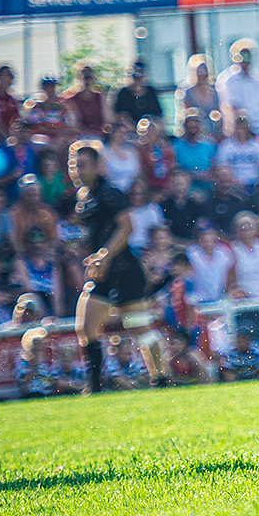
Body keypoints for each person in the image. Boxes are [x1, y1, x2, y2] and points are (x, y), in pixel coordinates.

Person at [66, 140, 168, 393]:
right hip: (103, 272)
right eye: (74, 165)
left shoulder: (110, 193)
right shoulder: (83, 197)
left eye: (84, 165)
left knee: (140, 327)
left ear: (99, 166)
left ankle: (162, 378)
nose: (78, 170)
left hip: (124, 271)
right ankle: (95, 386)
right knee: (86, 328)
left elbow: (127, 226)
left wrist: (104, 255)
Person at [217, 39, 259, 135]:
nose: (245, 61)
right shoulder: (227, 79)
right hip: (238, 130)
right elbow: (231, 107)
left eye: (248, 57)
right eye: (242, 57)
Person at [177, 55, 221, 137]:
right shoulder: (187, 92)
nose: (202, 74)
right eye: (199, 71)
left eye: (204, 70)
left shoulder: (214, 91)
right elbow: (183, 114)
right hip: (195, 133)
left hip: (213, 132)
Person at [61, 62, 106, 137]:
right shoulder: (73, 100)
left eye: (89, 77)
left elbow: (107, 120)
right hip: (81, 136)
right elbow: (75, 123)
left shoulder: (100, 98)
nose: (87, 80)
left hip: (100, 135)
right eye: (85, 77)